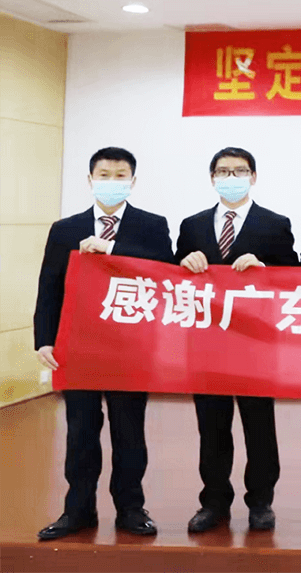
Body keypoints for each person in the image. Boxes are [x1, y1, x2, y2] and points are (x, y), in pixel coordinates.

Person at [34, 147, 173, 540]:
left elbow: (163, 269)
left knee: (129, 431)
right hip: (78, 347)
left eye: (120, 175)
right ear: (90, 179)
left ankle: (131, 508)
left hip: (130, 348)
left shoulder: (152, 225)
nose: (112, 182)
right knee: (80, 431)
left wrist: (110, 249)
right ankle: (78, 510)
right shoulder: (65, 229)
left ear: (133, 180)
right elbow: (49, 286)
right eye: (104, 175)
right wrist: (44, 339)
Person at [175, 147, 298, 533]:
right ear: (212, 178)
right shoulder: (192, 225)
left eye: (240, 171)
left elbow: (295, 275)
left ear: (253, 177)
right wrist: (183, 263)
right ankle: (213, 501)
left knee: (259, 426)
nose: (232, 178)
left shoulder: (274, 224)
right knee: (211, 427)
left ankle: (261, 501)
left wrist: (265, 268)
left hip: (256, 345)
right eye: (223, 172)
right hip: (206, 342)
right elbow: (171, 274)